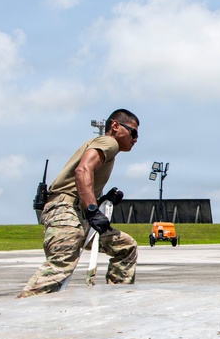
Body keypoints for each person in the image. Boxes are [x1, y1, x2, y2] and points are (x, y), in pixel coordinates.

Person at [18, 109, 140, 298]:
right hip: (66, 212)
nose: (135, 139)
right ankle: (23, 309)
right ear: (115, 126)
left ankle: (117, 300)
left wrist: (101, 201)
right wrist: (92, 209)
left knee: (125, 247)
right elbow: (83, 170)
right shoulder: (109, 142)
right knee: (61, 265)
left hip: (78, 214)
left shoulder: (107, 149)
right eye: (133, 132)